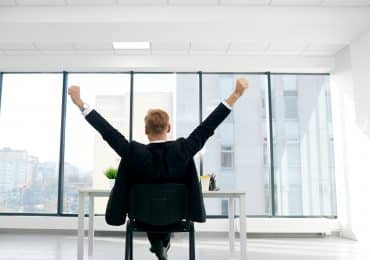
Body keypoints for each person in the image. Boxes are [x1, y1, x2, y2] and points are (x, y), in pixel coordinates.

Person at [68, 78, 248, 260]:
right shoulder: (183, 149)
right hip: (176, 215)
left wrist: (80, 103)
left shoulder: (133, 152)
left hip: (142, 216)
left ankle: (158, 244)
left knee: (151, 205)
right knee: (166, 204)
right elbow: (208, 126)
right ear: (168, 128)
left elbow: (107, 131)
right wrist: (235, 95)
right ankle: (162, 243)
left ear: (146, 130)